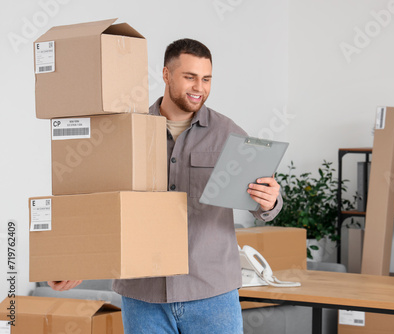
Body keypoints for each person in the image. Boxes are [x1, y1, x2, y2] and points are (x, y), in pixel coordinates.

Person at [48, 38, 283, 334]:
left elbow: (266, 199)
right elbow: (98, 201)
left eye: (206, 79)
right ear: (166, 75)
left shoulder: (228, 134)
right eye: (190, 77)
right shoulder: (127, 130)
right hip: (144, 294)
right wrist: (74, 259)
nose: (199, 87)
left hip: (211, 292)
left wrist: (270, 201)